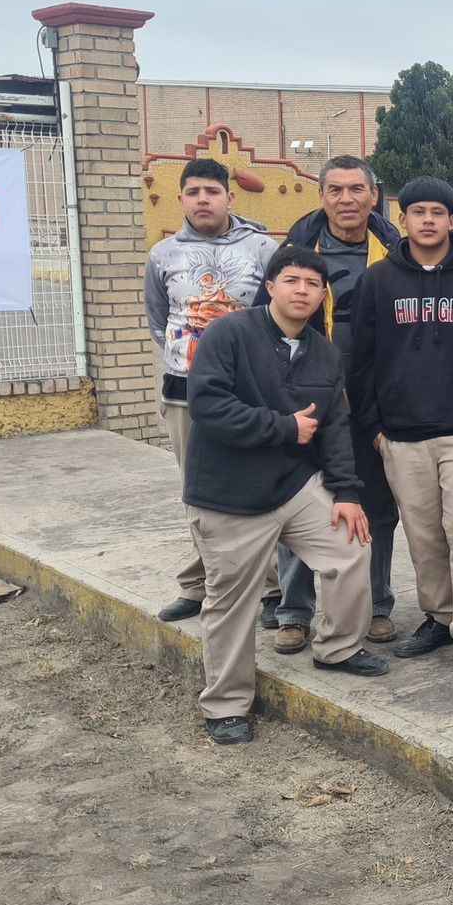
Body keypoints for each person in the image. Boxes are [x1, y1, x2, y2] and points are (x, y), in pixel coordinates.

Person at [183, 244, 390, 746]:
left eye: (312, 284)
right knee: (232, 599)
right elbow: (207, 405)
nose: (302, 290)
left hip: (294, 488)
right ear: (271, 286)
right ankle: (227, 702)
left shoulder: (324, 352)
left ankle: (338, 647)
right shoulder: (228, 333)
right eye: (292, 280)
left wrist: (345, 491)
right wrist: (282, 428)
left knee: (350, 545)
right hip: (229, 494)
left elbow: (335, 427)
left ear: (323, 295)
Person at [347, 177, 453, 681]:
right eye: (417, 211)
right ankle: (439, 617)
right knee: (424, 536)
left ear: (451, 218)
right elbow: (362, 361)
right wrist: (374, 427)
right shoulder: (377, 280)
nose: (427, 220)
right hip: (401, 432)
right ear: (402, 219)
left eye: (437, 212)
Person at [262, 154, 402, 653]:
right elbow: (268, 329)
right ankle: (295, 613)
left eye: (356, 190)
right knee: (303, 507)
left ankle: (377, 605)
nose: (347, 200)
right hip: (307, 405)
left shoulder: (395, 249)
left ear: (373, 195)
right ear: (321, 196)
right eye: (336, 190)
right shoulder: (296, 250)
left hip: (374, 403)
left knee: (378, 510)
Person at [144, 158, 277, 624]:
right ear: (181, 199)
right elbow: (160, 322)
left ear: (229, 197)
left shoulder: (262, 247)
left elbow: (273, 315)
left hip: (249, 389)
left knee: (257, 487)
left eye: (212, 191)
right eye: (194, 191)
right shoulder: (163, 254)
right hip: (185, 390)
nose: (203, 199)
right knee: (198, 493)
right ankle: (197, 586)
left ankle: (269, 590)